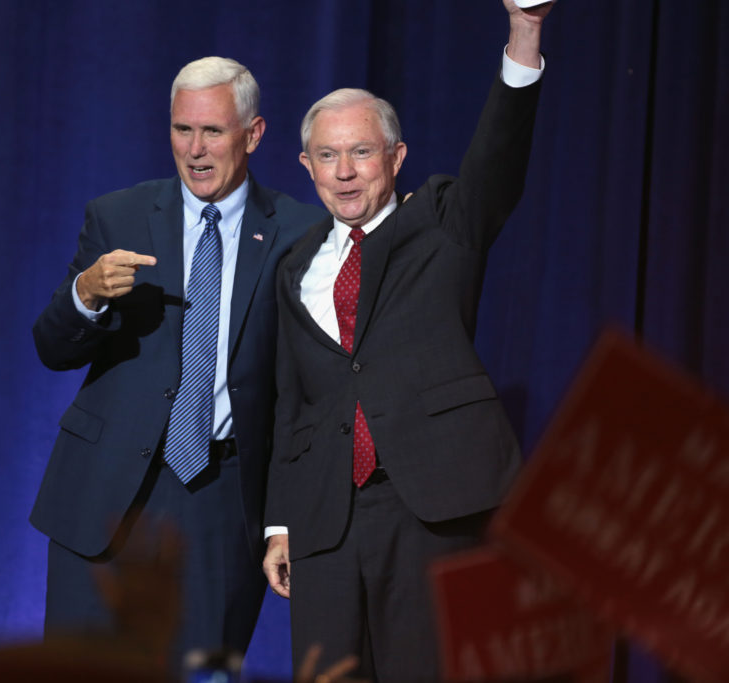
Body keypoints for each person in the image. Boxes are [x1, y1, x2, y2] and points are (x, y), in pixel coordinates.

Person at [262, 1, 553, 680]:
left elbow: (498, 158)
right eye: (328, 156)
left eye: (361, 152)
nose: (344, 172)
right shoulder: (295, 266)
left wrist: (526, 30)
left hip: (431, 506)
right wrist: (280, 521)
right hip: (326, 521)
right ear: (305, 165)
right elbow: (291, 402)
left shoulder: (445, 220)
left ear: (395, 156)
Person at [29, 56, 326, 668]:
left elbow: (305, 395)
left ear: (254, 133)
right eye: (181, 130)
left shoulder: (301, 233)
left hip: (221, 500)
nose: (194, 149)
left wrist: (284, 520)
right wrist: (84, 294)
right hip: (106, 496)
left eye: (212, 131)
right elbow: (52, 348)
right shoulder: (119, 215)